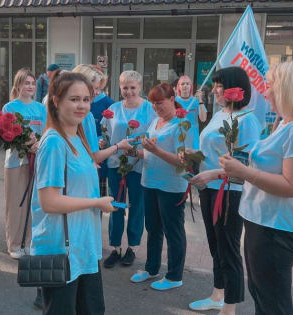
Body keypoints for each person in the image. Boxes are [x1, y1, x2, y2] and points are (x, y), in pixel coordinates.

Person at [30, 71, 116, 314]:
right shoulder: (54, 142)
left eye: (86, 99)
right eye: (74, 99)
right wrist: (96, 202)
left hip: (83, 246)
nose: (82, 106)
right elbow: (49, 202)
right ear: (56, 101)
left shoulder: (76, 137)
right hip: (61, 248)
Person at [183, 67, 261, 315]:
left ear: (236, 89)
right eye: (214, 85)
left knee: (228, 249)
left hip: (229, 191)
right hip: (209, 188)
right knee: (215, 245)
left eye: (219, 85)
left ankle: (230, 307)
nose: (214, 90)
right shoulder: (218, 115)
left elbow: (243, 166)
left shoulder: (247, 120)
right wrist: (192, 158)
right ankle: (217, 293)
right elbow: (211, 152)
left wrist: (213, 174)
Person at [219, 61, 293, 315]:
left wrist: (243, 172)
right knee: (262, 293)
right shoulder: (283, 123)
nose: (265, 92)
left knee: (272, 300)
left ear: (285, 90)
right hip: (261, 221)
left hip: (274, 228)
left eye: (270, 86)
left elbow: (289, 185)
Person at [123, 83, 191, 290]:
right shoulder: (156, 121)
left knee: (173, 231)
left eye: (160, 103)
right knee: (152, 228)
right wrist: (133, 153)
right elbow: (149, 152)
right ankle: (152, 268)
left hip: (171, 186)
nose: (156, 107)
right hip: (150, 181)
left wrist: (156, 150)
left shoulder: (182, 125)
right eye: (153, 104)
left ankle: (174, 276)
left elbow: (185, 162)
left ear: (172, 100)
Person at [101, 70, 156, 268]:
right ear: (119, 87)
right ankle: (115, 247)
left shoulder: (150, 109)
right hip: (116, 164)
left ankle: (132, 247)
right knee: (115, 205)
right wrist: (102, 142)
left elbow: (154, 136)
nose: (129, 91)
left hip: (138, 164)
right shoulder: (113, 109)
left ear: (140, 87)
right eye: (125, 87)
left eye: (133, 87)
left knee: (136, 206)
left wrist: (140, 152)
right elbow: (106, 135)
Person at [2, 68, 46, 259]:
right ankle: (14, 244)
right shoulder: (9, 108)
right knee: (16, 204)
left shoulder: (40, 108)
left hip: (37, 160)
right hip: (15, 162)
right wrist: (26, 144)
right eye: (26, 83)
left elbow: (46, 132)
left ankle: (28, 242)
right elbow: (5, 136)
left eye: (32, 83)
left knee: (32, 204)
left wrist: (38, 144)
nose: (29, 87)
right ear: (18, 84)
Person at [72, 65, 115, 196]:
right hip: (82, 175)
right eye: (95, 88)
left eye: (99, 89)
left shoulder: (58, 109)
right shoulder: (86, 115)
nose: (97, 93)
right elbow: (94, 155)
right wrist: (117, 146)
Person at [176, 75, 207, 150]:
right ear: (179, 87)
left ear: (191, 86)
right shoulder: (175, 101)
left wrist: (200, 100)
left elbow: (203, 119)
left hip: (193, 137)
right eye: (182, 84)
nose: (185, 86)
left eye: (187, 84)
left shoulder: (196, 101)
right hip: (178, 136)